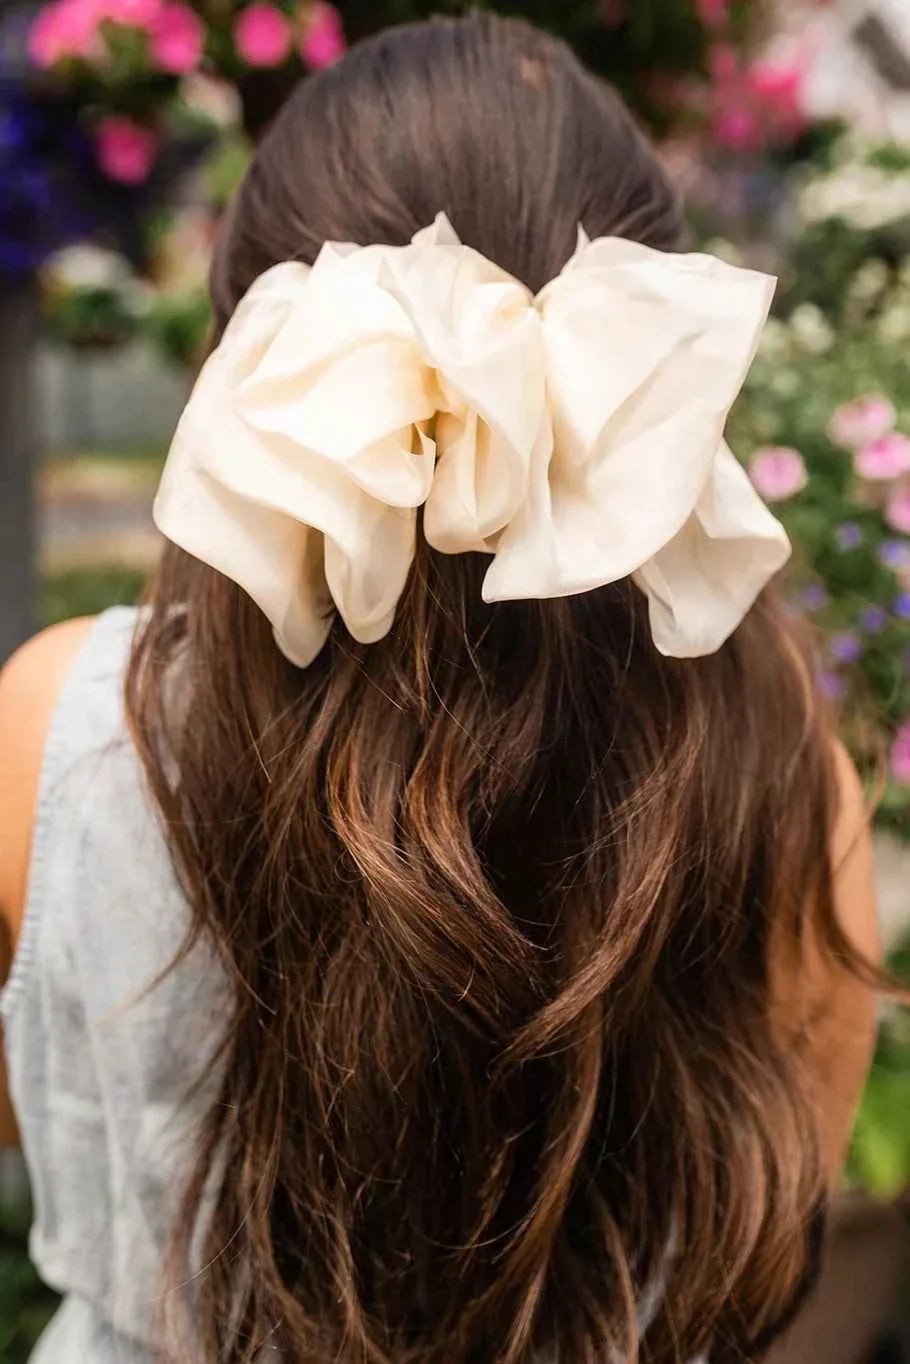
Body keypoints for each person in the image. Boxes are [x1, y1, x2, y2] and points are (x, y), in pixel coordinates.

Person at [0, 13, 880, 1364]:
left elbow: (32, 1098)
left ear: (242, 371)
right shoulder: (785, 779)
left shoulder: (56, 727)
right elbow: (770, 1210)